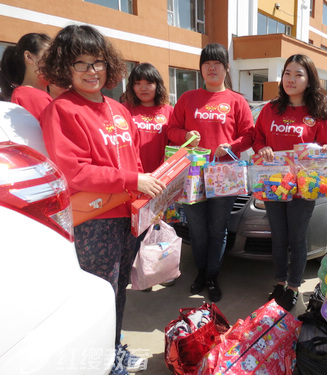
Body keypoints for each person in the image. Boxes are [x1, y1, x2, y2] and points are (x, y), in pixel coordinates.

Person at [39, 25, 165, 375]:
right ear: (65, 67)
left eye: (97, 62)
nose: (92, 71)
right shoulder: (62, 110)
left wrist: (146, 199)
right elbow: (72, 171)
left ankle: (113, 351)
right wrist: (132, 179)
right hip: (95, 220)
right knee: (97, 298)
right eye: (80, 63)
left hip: (129, 216)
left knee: (117, 292)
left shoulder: (119, 109)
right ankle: (98, 364)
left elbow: (136, 161)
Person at [166, 43, 254, 302]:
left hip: (224, 174)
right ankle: (201, 273)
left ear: (227, 68)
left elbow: (249, 135)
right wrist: (185, 135)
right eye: (207, 63)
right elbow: (171, 130)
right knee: (197, 228)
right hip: (193, 173)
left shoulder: (237, 101)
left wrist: (233, 146)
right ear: (201, 68)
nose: (212, 68)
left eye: (217, 63)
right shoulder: (187, 99)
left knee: (218, 229)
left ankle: (212, 276)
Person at [253, 54, 327, 311]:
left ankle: (293, 287)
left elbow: (325, 148)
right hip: (273, 185)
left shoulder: (318, 114)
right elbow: (257, 140)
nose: (291, 79)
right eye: (287, 73)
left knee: (297, 238)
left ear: (309, 79)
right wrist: (263, 148)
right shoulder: (270, 109)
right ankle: (279, 282)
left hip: (304, 188)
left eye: (298, 74)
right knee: (278, 237)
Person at [122, 62, 175, 291]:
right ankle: (137, 275)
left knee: (158, 228)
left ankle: (160, 271)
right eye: (138, 83)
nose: (143, 88)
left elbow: (175, 143)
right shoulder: (125, 110)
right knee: (133, 231)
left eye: (149, 83)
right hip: (133, 182)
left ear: (158, 85)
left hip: (161, 181)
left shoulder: (168, 111)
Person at [0, 33, 53, 120]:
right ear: (29, 57)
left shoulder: (24, 94)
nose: (56, 63)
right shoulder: (34, 97)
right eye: (50, 57)